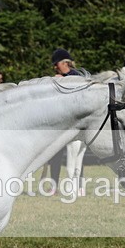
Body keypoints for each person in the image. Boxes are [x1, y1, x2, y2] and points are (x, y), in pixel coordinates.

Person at [43, 49, 82, 192]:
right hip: (61, 123)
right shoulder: (57, 77)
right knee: (55, 155)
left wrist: (62, 81)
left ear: (64, 63)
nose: (54, 67)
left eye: (56, 64)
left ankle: (78, 185)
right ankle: (54, 186)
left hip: (75, 123)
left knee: (77, 155)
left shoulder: (76, 77)